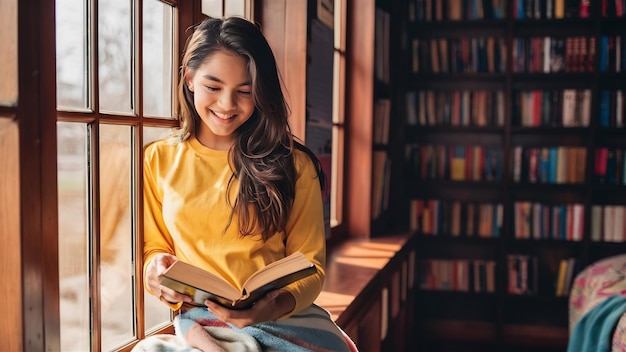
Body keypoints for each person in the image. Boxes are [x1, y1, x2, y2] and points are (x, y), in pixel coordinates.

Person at [141, 17, 357, 352]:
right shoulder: (158, 159)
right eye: (213, 87)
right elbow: (155, 248)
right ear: (189, 78)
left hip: (282, 317)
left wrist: (271, 306)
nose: (227, 105)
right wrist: (154, 274)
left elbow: (311, 267)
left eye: (245, 92)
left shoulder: (295, 166)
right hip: (200, 319)